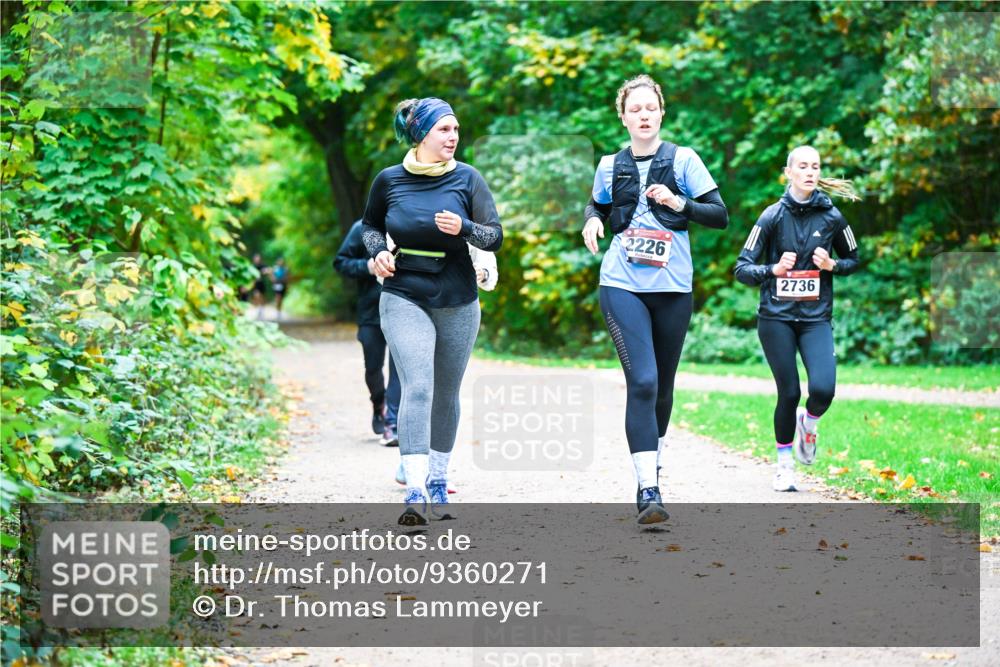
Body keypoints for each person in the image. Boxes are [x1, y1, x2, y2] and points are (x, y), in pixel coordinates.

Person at [582, 74, 729, 525]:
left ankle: (653, 460)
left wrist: (678, 202)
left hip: (673, 289)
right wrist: (591, 221)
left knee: (662, 387)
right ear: (623, 117)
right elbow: (597, 205)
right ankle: (648, 489)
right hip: (621, 284)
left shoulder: (683, 160)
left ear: (661, 113)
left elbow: (719, 216)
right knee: (642, 382)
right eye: (635, 109)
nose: (644, 115)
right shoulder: (609, 164)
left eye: (651, 108)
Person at [362, 96, 502, 525]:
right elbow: (370, 227)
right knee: (418, 386)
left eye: (456, 129)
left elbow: (494, 236)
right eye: (444, 129)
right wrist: (378, 253)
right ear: (422, 134)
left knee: (446, 392)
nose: (453, 137)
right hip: (404, 292)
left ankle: (439, 480)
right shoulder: (389, 180)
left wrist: (465, 229)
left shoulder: (468, 179)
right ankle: (416, 490)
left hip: (458, 297)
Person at [734, 145, 859, 492]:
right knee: (788, 392)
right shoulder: (771, 216)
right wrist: (773, 269)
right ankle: (785, 466)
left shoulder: (833, 217)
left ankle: (810, 421)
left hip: (816, 318)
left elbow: (854, 259)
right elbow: (741, 268)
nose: (810, 171)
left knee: (823, 389)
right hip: (775, 318)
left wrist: (832, 265)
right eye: (802, 166)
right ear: (789, 172)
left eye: (815, 166)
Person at [392, 241, 499, 489]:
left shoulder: (470, 210)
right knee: (418, 387)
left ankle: (431, 468)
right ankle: (413, 466)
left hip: (456, 308)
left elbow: (489, 271)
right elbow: (384, 257)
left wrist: (479, 273)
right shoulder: (405, 204)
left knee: (445, 391)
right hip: (410, 305)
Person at [334, 220, 401, 446]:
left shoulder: (411, 222)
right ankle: (378, 404)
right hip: (370, 312)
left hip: (404, 309)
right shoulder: (362, 228)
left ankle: (392, 422)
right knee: (373, 367)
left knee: (399, 366)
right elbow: (340, 262)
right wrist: (368, 267)